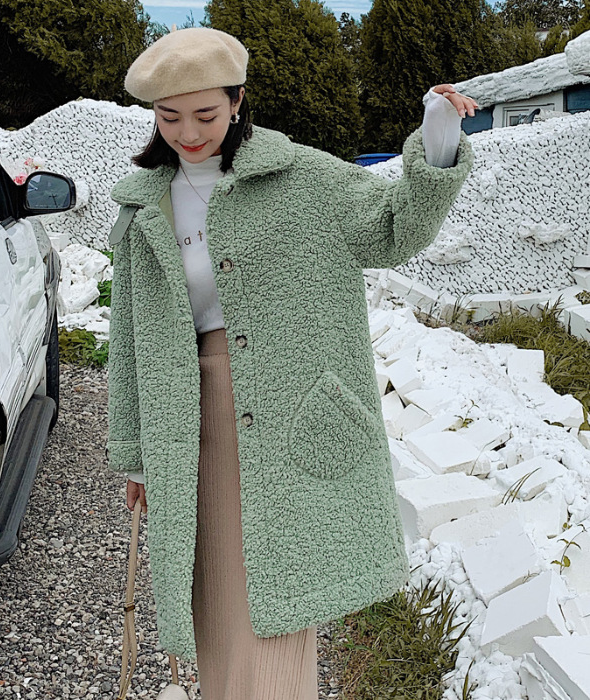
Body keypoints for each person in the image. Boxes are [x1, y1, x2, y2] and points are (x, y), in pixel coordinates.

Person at [107, 26, 476, 699]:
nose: (188, 133)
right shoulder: (143, 206)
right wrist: (137, 455)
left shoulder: (302, 178)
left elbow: (393, 228)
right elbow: (128, 336)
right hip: (185, 421)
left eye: (205, 115)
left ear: (238, 101)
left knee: (267, 602)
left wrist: (438, 139)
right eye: (169, 117)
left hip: (284, 413)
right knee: (211, 597)